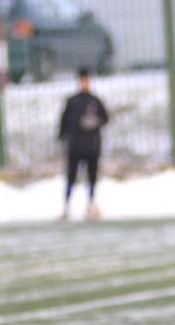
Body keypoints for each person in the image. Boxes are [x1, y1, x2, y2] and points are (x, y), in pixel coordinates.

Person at [58, 68, 109, 220]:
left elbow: (105, 118)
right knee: (71, 176)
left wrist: (94, 123)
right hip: (75, 145)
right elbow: (64, 122)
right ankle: (66, 206)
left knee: (92, 175)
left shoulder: (95, 101)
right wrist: (63, 137)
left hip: (92, 145)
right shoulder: (72, 101)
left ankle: (91, 204)